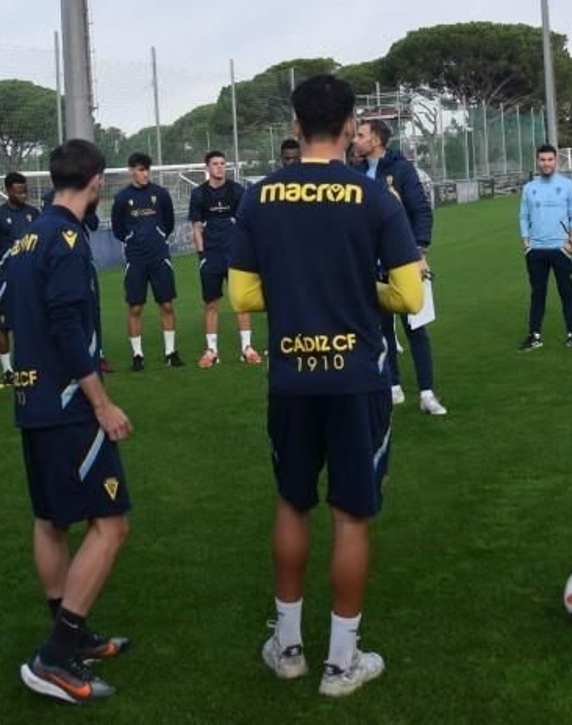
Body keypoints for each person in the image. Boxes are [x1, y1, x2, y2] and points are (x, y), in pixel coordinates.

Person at [230, 75, 424, 698]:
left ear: (295, 126)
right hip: (357, 379)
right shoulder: (373, 198)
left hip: (291, 376)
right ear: (349, 128)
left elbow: (241, 294)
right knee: (351, 515)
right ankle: (341, 664)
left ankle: (287, 648)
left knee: (292, 503)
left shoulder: (259, 197)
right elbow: (409, 293)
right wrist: (354, 289)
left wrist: (300, 291)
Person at [6, 139, 133, 705]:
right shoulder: (67, 239)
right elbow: (62, 324)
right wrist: (101, 402)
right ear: (97, 180)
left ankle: (71, 633)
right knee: (111, 525)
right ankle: (55, 656)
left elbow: (10, 318)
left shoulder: (22, 238)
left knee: (51, 520)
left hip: (31, 399)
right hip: (66, 406)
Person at [351, 118, 444, 414]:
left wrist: (418, 252)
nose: (355, 139)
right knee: (382, 330)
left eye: (361, 135)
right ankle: (393, 387)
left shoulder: (402, 170)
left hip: (404, 263)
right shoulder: (355, 172)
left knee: (416, 328)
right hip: (370, 265)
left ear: (376, 140)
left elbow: (421, 212)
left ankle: (427, 393)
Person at [188, 150, 262, 367]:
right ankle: (212, 350)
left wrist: (246, 252)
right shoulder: (199, 194)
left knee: (241, 302)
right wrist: (201, 256)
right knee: (211, 304)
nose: (220, 167)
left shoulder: (237, 191)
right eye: (215, 164)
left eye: (222, 164)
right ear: (207, 168)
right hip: (211, 257)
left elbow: (246, 225)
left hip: (235, 256)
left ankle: (247, 348)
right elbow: (196, 227)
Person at [110, 153, 181, 371]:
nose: (145, 174)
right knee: (135, 307)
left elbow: (169, 222)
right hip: (136, 259)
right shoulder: (122, 198)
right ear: (131, 170)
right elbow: (118, 229)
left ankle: (170, 352)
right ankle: (137, 355)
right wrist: (133, 239)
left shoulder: (160, 194)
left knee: (167, 304)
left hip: (159, 257)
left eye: (147, 169)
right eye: (141, 170)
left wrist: (158, 234)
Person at [518, 144, 572, 350]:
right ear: (537, 162)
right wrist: (526, 243)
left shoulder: (568, 186)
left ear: (556, 161)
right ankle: (534, 335)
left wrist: (570, 243)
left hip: (561, 250)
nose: (546, 163)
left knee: (567, 292)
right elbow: (523, 216)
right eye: (542, 160)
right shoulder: (530, 188)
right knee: (538, 294)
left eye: (550, 159)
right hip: (536, 250)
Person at [0, 172, 42, 379]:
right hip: (8, 280)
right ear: (8, 190)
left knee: (31, 321)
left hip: (32, 278)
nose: (23, 194)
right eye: (19, 191)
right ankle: (7, 369)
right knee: (4, 324)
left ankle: (29, 363)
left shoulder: (34, 213)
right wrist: (1, 268)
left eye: (25, 190)